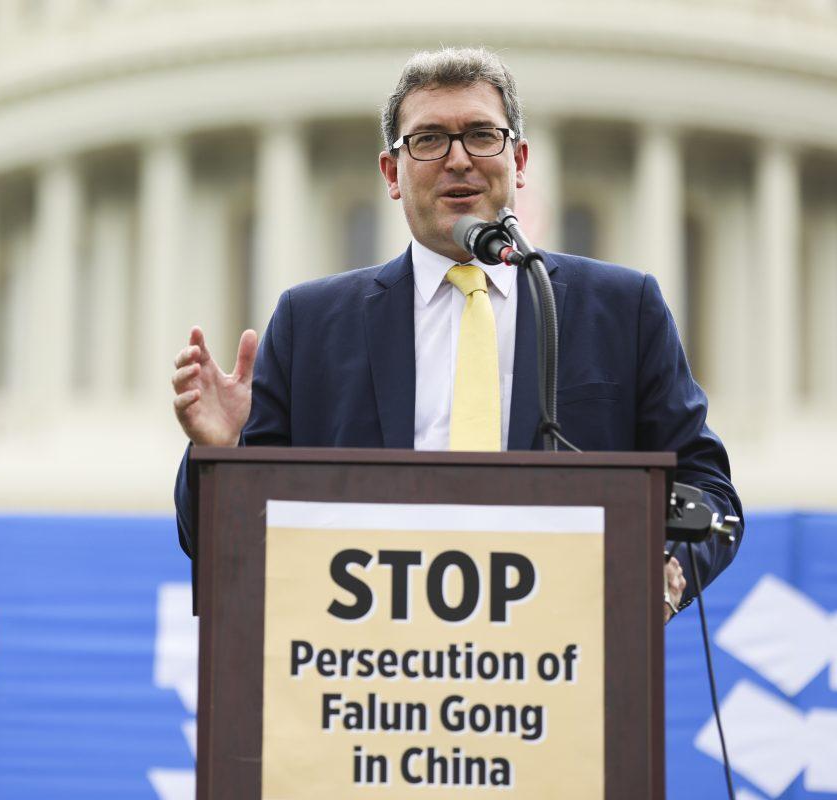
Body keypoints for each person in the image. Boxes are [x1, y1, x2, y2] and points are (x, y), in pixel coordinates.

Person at [170, 47, 740, 622]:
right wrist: (219, 457)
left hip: (563, 657)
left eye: (481, 135)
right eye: (428, 140)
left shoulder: (621, 308)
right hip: (367, 667)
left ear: (518, 160)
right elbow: (231, 542)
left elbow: (709, 490)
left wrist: (665, 577)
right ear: (392, 174)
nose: (459, 158)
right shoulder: (311, 324)